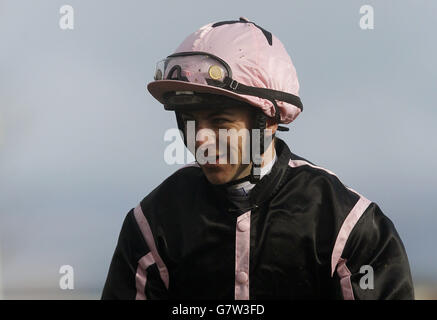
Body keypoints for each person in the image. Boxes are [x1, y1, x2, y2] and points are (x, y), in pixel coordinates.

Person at [101, 17, 414, 300]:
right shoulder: (153, 222)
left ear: (270, 122)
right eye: (189, 120)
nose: (201, 139)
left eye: (221, 122)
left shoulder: (348, 224)